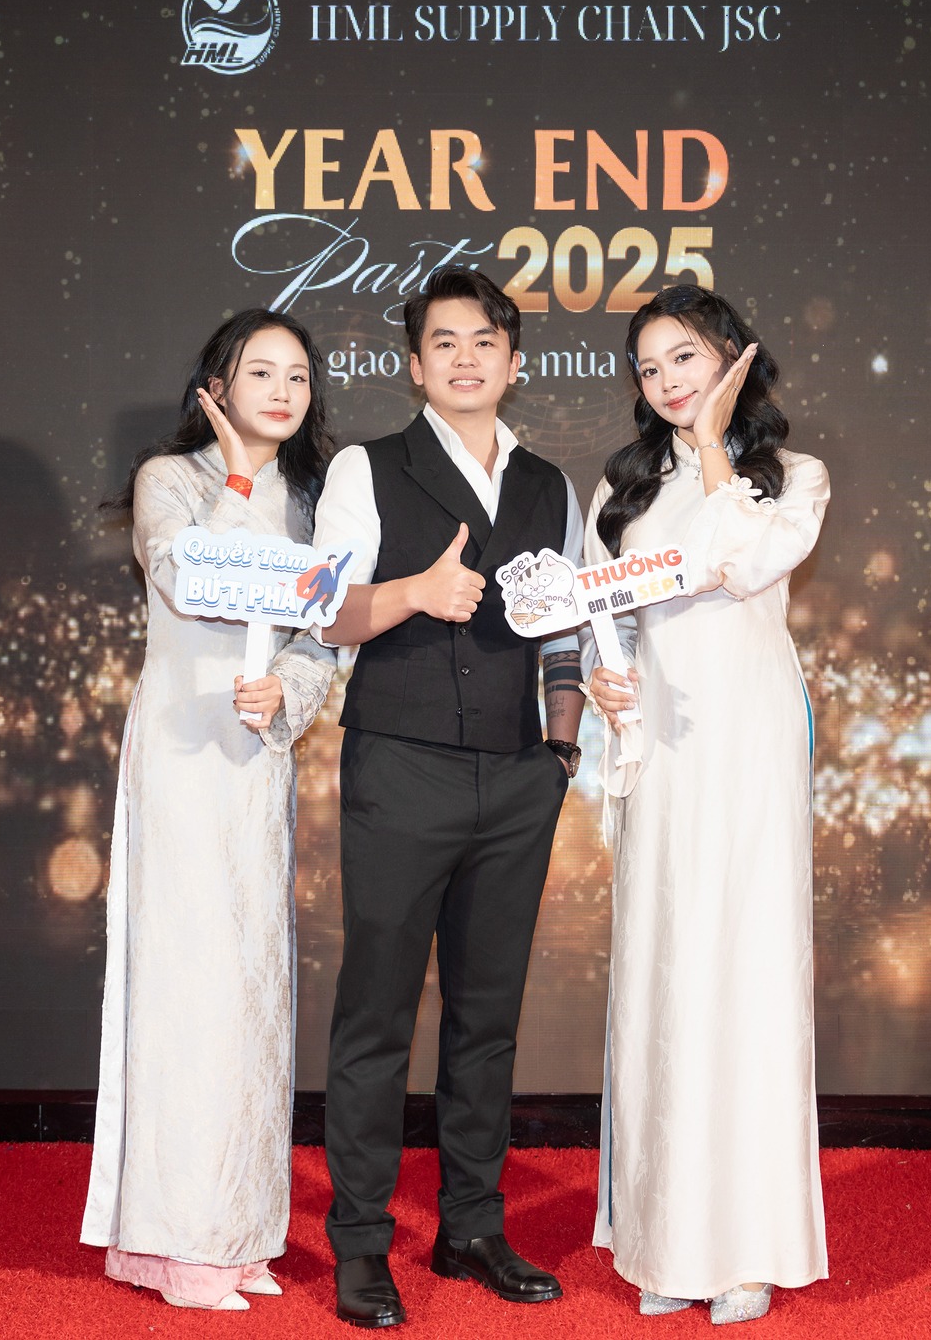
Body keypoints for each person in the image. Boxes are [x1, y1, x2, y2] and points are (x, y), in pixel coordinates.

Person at [311, 265, 587, 1328]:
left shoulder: (549, 484)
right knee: (376, 1014)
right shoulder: (366, 467)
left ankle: (472, 1226)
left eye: (484, 342)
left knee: (487, 1017)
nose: (465, 359)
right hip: (402, 766)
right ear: (414, 364)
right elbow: (323, 612)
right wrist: (414, 593)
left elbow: (565, 628)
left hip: (518, 778)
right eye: (444, 342)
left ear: (514, 362)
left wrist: (560, 755)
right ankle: (360, 1242)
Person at [80, 309, 338, 1311]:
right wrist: (233, 480)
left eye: (297, 376)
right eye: (259, 371)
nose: (282, 390)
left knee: (251, 991)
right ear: (216, 386)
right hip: (184, 754)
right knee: (187, 988)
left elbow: (321, 633)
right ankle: (177, 1240)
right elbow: (190, 580)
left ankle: (236, 1235)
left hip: (254, 757)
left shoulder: (312, 498)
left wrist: (289, 693)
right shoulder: (171, 479)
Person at [583, 286, 832, 1324]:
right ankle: (664, 1240)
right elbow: (600, 616)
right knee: (663, 969)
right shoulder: (623, 486)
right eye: (648, 368)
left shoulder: (792, 477)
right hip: (663, 746)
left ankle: (746, 1247)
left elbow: (750, 560)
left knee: (748, 971)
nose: (665, 381)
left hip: (749, 742)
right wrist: (604, 682)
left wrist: (717, 452)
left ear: (732, 356)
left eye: (682, 357)